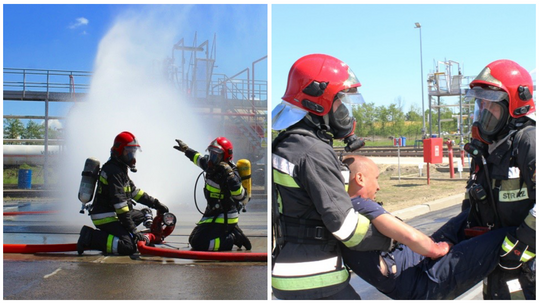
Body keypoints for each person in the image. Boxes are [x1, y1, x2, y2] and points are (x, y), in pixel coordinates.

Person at [271, 54, 388, 300]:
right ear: (318, 102)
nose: (344, 111)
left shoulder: (290, 143)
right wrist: (393, 238)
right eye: (339, 101)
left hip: (294, 273)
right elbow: (346, 227)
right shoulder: (311, 151)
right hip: (315, 278)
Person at [341, 155, 516, 300]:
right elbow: (411, 237)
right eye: (376, 179)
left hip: (413, 265)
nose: (378, 186)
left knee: (470, 215)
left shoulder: (345, 209)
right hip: (420, 278)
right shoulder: (361, 204)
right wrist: (438, 249)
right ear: (360, 179)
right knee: (506, 236)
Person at [461, 59, 535, 300]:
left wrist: (521, 244)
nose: (483, 110)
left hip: (527, 267)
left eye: (490, 104)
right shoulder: (487, 148)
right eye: (480, 103)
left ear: (515, 104)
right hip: (496, 264)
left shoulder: (529, 143)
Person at [77, 131, 169, 255]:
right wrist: (133, 230)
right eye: (128, 152)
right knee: (128, 247)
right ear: (119, 151)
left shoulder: (120, 169)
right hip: (105, 216)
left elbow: (135, 193)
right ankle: (90, 237)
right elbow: (120, 206)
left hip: (114, 213)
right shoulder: (114, 172)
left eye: (133, 152)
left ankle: (124, 233)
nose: (132, 156)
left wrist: (156, 204)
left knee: (144, 213)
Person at [173, 137, 252, 251]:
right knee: (193, 239)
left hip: (225, 216)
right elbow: (198, 158)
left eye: (216, 155)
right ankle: (231, 232)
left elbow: (240, 196)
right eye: (211, 153)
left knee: (200, 244)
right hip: (212, 214)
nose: (211, 158)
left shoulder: (232, 174)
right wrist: (186, 149)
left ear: (225, 156)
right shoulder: (211, 167)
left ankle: (232, 238)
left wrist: (230, 177)